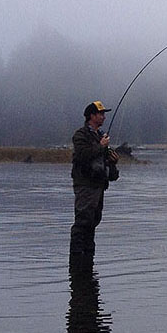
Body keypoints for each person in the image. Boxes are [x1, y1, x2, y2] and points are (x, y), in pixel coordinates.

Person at [69, 101, 119, 266]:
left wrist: (113, 162)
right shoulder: (80, 135)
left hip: (98, 185)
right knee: (82, 221)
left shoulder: (101, 136)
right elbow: (82, 156)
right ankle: (76, 259)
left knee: (93, 222)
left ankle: (88, 259)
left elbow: (103, 163)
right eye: (101, 113)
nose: (104, 117)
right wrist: (100, 146)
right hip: (85, 185)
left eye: (104, 114)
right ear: (92, 116)